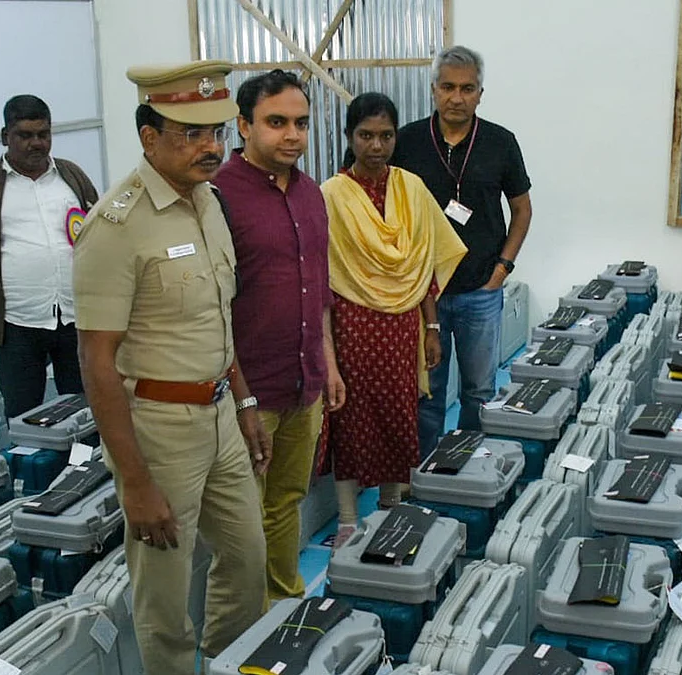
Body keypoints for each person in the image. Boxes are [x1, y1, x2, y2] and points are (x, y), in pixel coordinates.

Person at [73, 61, 269, 673]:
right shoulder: (115, 227)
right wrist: (134, 481)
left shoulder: (210, 202)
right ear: (148, 136)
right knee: (163, 592)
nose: (210, 148)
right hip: (159, 429)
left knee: (245, 560)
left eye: (216, 132)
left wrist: (243, 402)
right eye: (190, 133)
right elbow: (97, 364)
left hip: (220, 418)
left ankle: (227, 660)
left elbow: (217, 319)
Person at [212, 70, 345, 602]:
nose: (292, 135)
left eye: (301, 124)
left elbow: (321, 290)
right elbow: (213, 309)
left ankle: (285, 602)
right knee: (243, 517)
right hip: (249, 391)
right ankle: (244, 624)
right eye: (276, 123)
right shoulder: (217, 196)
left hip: (304, 383)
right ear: (243, 125)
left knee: (287, 499)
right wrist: (240, 394)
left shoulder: (311, 192)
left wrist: (329, 364)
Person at [321, 92, 467, 546]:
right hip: (353, 322)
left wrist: (432, 326)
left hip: (403, 323)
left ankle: (391, 504)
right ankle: (348, 517)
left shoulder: (411, 188)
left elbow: (424, 264)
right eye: (366, 135)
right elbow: (324, 274)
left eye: (385, 136)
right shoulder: (330, 195)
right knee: (351, 416)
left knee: (399, 413)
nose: (376, 146)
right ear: (349, 137)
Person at [392, 46, 533, 456]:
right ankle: (426, 472)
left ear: (480, 93)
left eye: (467, 88)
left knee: (479, 390)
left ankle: (470, 466)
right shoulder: (407, 142)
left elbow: (522, 208)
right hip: (424, 294)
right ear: (434, 90)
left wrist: (503, 268)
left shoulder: (501, 142)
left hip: (480, 290)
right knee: (428, 392)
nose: (457, 97)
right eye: (448, 87)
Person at [0, 94, 99, 418]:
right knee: (23, 413)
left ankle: (84, 466)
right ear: (6, 137)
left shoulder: (71, 176)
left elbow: (100, 235)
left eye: (43, 134)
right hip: (17, 322)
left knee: (85, 409)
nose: (36, 144)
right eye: (25, 135)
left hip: (76, 317)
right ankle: (32, 466)